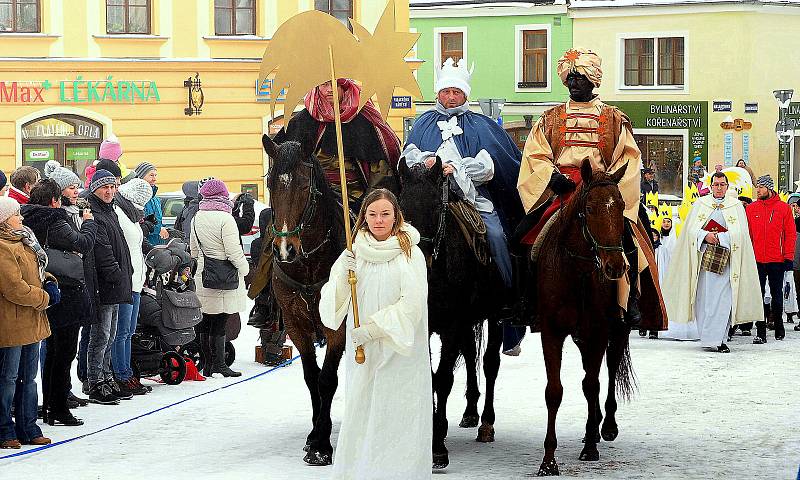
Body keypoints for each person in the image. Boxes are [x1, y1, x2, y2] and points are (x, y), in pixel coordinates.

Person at [518, 47, 666, 333]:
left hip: (603, 190)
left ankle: (631, 300)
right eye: (569, 78)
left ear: (593, 80)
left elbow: (629, 159)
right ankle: (526, 300)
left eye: (579, 77)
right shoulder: (549, 118)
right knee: (522, 236)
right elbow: (535, 155)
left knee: (630, 238)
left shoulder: (614, 118)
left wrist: (608, 186)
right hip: (561, 190)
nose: (573, 83)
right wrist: (551, 175)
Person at [402, 57, 525, 354]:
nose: (450, 97)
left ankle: (508, 302)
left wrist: (456, 168)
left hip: (472, 199)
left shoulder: (481, 124)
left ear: (465, 95)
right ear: (438, 94)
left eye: (456, 92)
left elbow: (492, 165)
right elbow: (406, 156)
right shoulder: (422, 123)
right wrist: (427, 163)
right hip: (429, 203)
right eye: (446, 92)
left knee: (496, 236)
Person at [319, 188, 431, 479]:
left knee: (396, 417)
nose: (379, 220)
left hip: (399, 353)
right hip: (364, 355)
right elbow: (332, 304)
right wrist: (344, 275)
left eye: (385, 214)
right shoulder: (354, 252)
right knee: (364, 413)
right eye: (372, 214)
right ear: (363, 217)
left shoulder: (410, 253)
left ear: (396, 216)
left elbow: (413, 304)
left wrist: (372, 329)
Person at [21, 177, 96, 427]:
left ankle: (50, 408)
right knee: (64, 354)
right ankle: (59, 408)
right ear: (54, 200)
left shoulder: (25, 217)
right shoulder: (54, 219)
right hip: (66, 291)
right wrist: (88, 224)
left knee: (52, 352)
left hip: (45, 289)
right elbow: (82, 243)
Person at [663, 172, 762, 352]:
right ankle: (707, 338)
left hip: (726, 263)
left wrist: (721, 238)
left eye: (722, 184)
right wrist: (705, 236)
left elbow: (741, 234)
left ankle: (720, 339)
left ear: (727, 186)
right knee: (703, 300)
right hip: (703, 261)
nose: (719, 188)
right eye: (716, 184)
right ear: (710, 186)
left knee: (723, 302)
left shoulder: (736, 206)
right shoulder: (700, 204)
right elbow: (690, 231)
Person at [0, 196, 58, 448]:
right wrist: (44, 297)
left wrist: (50, 280)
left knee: (28, 378)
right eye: (16, 214)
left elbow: (37, 270)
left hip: (33, 321)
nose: (21, 218)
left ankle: (28, 426)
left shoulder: (24, 241)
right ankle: (5, 430)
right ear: (4, 220)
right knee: (8, 379)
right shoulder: (3, 246)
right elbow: (13, 287)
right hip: (12, 324)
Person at [189, 179, 248, 378]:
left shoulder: (197, 217)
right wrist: (245, 269)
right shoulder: (226, 218)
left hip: (203, 274)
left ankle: (206, 363)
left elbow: (194, 250)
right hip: (224, 276)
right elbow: (233, 252)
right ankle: (220, 365)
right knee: (221, 321)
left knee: (205, 321)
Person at [86, 170, 134, 404]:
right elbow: (102, 250)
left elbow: (120, 245)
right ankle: (95, 381)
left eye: (113, 187)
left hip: (117, 282)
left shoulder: (110, 210)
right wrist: (116, 273)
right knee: (101, 335)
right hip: (105, 283)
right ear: (95, 188)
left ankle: (106, 377)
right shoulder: (95, 212)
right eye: (105, 187)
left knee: (111, 334)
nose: (110, 191)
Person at [112, 179, 154, 396]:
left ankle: (127, 372)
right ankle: (120, 374)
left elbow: (137, 244)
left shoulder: (132, 215)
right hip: (125, 280)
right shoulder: (119, 213)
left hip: (136, 280)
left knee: (128, 331)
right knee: (120, 332)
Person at [746, 174, 796, 343]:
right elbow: (748, 236)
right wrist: (748, 256)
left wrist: (788, 258)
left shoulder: (783, 208)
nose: (758, 190)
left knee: (777, 294)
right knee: (758, 295)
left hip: (777, 260)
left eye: (761, 187)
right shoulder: (751, 209)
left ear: (769, 188)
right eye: (757, 187)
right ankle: (760, 331)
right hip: (757, 260)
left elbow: (790, 235)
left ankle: (779, 325)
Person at [133, 162, 167, 246]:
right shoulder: (136, 199)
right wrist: (158, 230)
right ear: (141, 176)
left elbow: (158, 221)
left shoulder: (155, 199)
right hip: (143, 246)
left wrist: (164, 229)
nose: (154, 179)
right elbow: (139, 225)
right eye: (151, 175)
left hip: (158, 244)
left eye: (155, 175)